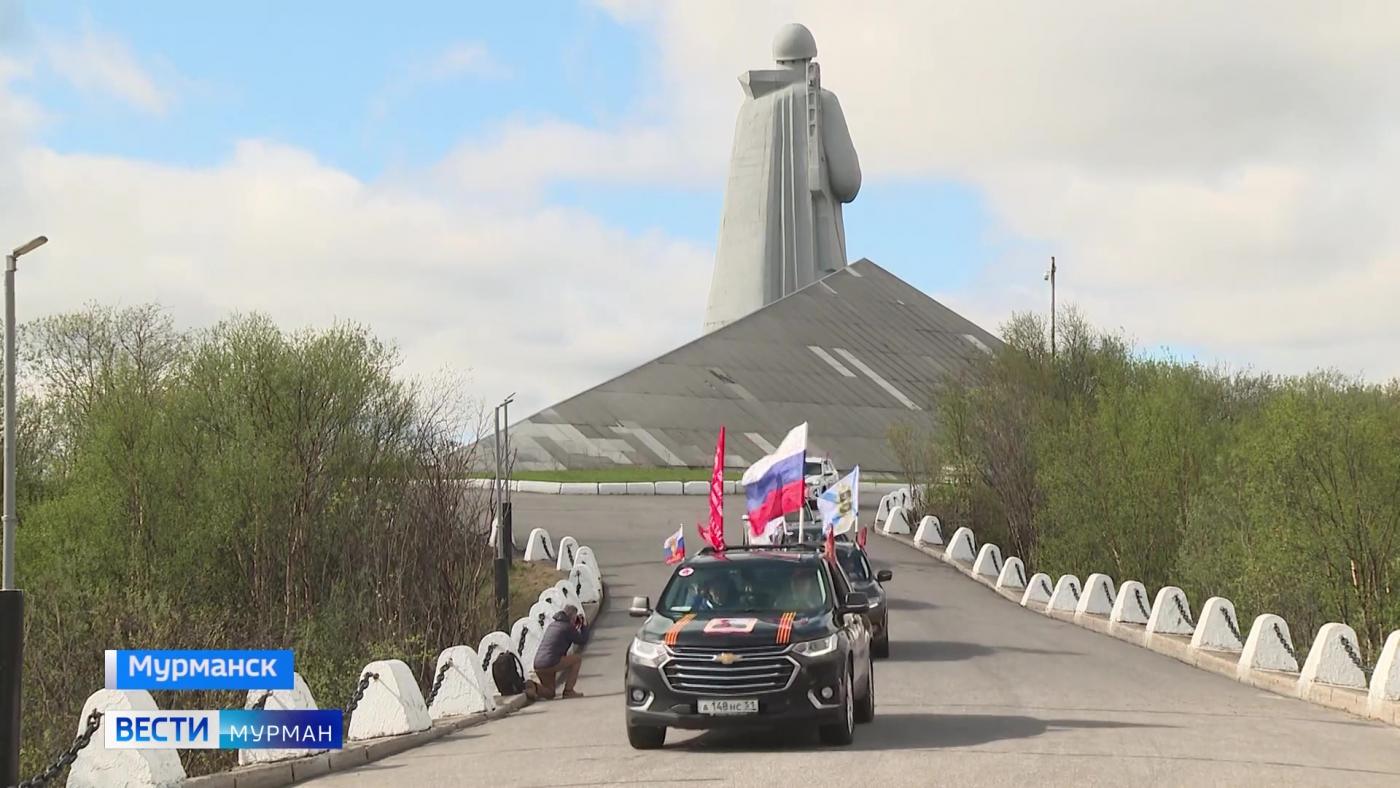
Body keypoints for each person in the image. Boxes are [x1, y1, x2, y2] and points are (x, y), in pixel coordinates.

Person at [533, 605, 590, 699]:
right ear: (572, 617)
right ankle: (568, 691)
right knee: (577, 659)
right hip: (551, 662)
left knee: (550, 693)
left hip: (538, 664)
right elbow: (582, 640)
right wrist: (584, 625)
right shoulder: (567, 627)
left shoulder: (552, 625)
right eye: (575, 618)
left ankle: (532, 686)